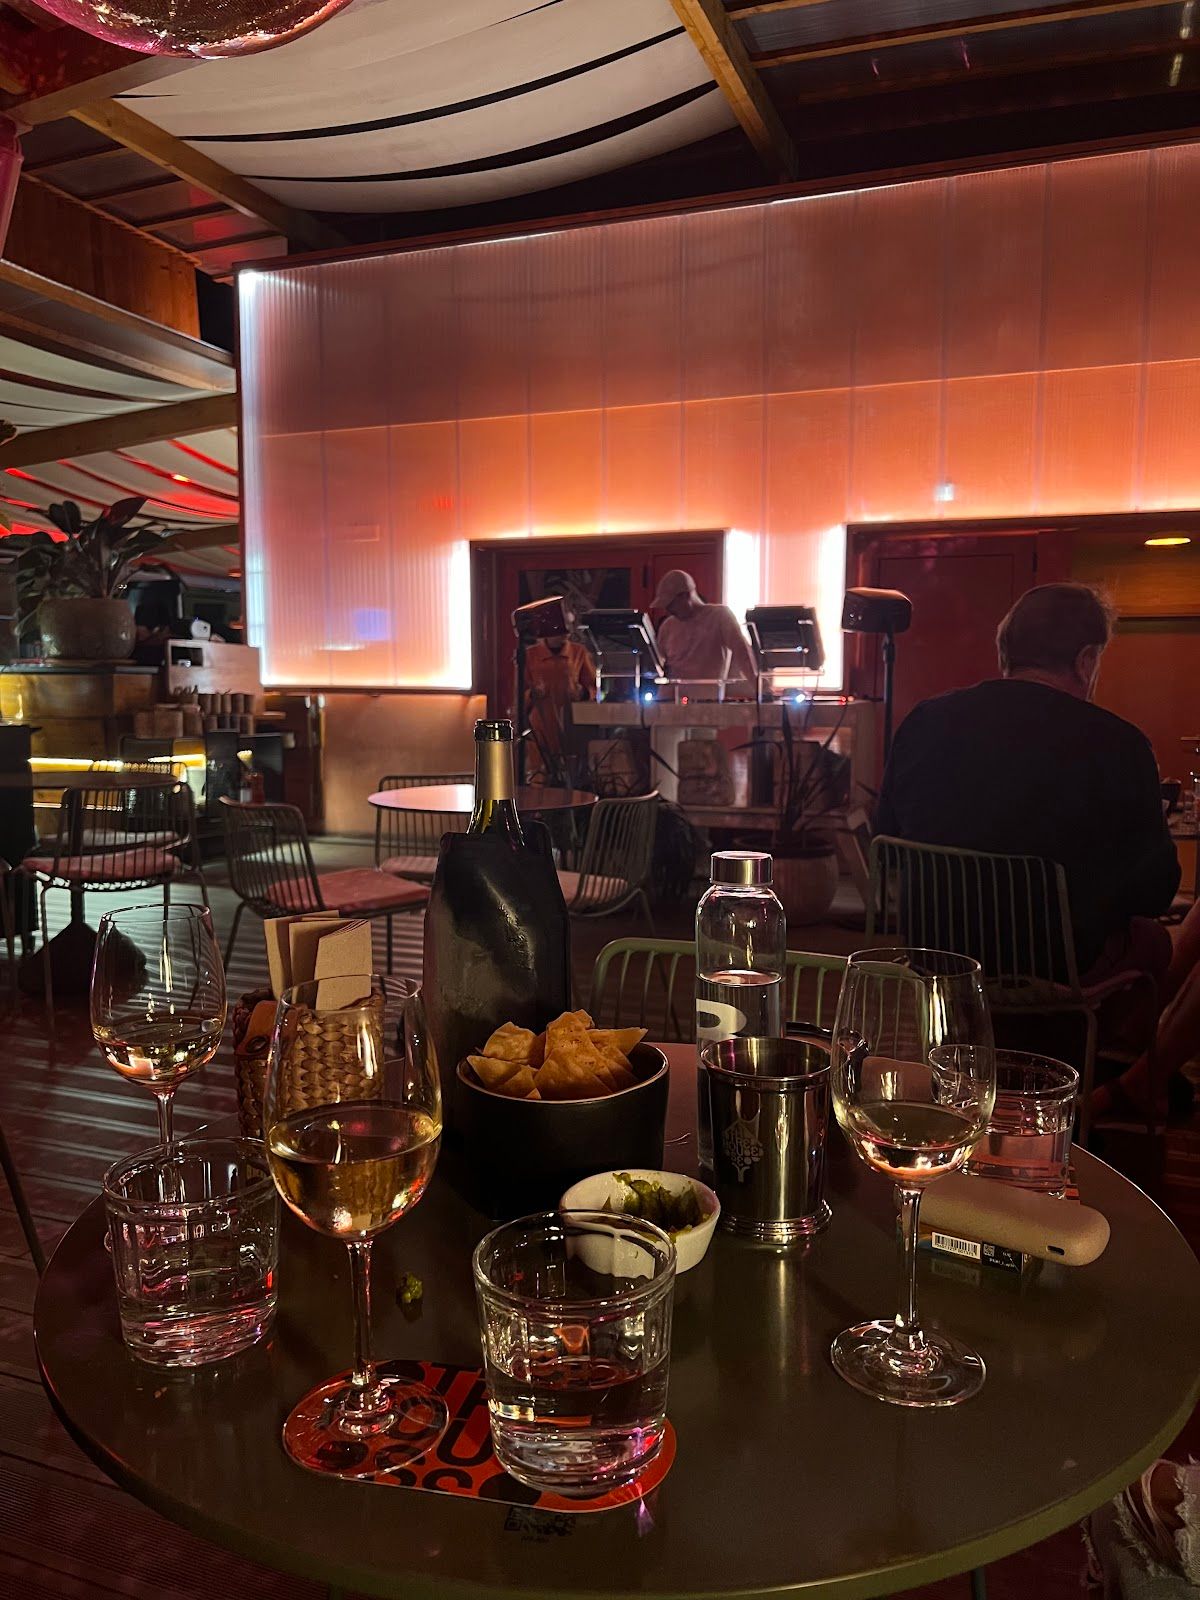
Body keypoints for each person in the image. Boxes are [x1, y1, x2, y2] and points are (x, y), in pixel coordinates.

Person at [875, 583, 1180, 984]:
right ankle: (1088, 1026)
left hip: (936, 954)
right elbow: (1155, 892)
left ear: (1005, 652)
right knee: (1156, 942)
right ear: (1086, 660)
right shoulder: (1121, 743)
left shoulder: (923, 721)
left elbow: (887, 847)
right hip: (1055, 967)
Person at [651, 569, 757, 693]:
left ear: (685, 596)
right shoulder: (668, 625)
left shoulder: (719, 616)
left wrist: (762, 688)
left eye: (671, 605)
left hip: (706, 699)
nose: (668, 610)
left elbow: (743, 654)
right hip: (670, 698)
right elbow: (656, 663)